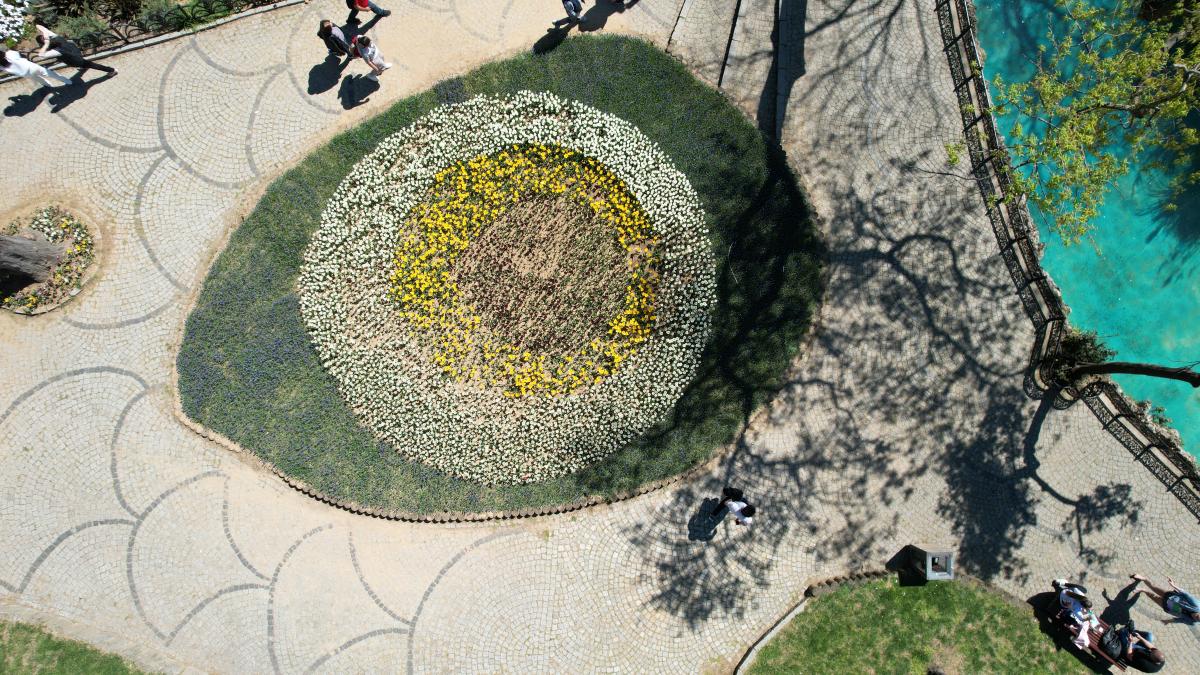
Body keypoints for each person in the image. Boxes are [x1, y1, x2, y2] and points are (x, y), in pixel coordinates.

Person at [35, 25, 116, 78]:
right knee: (85, 64)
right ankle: (84, 67)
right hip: (75, 51)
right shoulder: (54, 36)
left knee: (91, 64)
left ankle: (112, 70)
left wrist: (46, 44)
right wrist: (46, 35)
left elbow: (41, 55)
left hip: (75, 60)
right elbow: (38, 26)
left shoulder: (56, 51)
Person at [1130, 573, 1200, 622]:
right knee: (1153, 587)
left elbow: (1181, 619)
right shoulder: (1196, 605)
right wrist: (1173, 585)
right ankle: (1143, 578)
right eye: (1197, 616)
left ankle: (1143, 590)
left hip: (1169, 607)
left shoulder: (1193, 620)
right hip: (1172, 597)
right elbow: (1186, 594)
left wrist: (1169, 621)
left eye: (1197, 619)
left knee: (1153, 597)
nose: (1195, 618)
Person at [2, 49, 72, 89]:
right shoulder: (9, 54)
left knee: (38, 79)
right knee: (50, 73)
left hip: (25, 74)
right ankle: (67, 81)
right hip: (31, 67)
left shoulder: (2, 66)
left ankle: (49, 85)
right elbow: (21, 54)